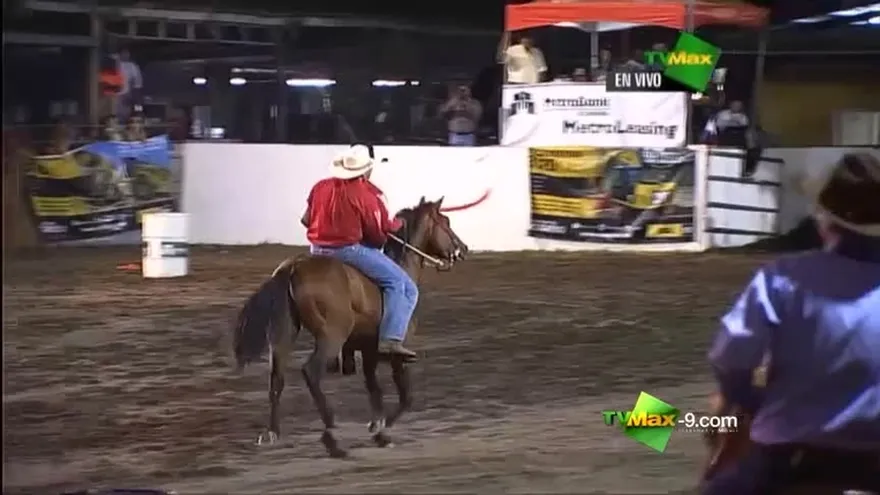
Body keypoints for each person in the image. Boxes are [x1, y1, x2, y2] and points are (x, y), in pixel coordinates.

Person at [703, 152, 880, 495]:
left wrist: (742, 395)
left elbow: (732, 354)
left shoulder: (783, 278)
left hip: (791, 454)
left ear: (826, 220)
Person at [301, 144, 418, 361]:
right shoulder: (367, 195)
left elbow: (305, 220)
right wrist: (393, 226)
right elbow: (377, 236)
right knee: (402, 285)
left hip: (315, 250)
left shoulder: (320, 187)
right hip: (347, 250)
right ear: (367, 169)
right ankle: (391, 339)